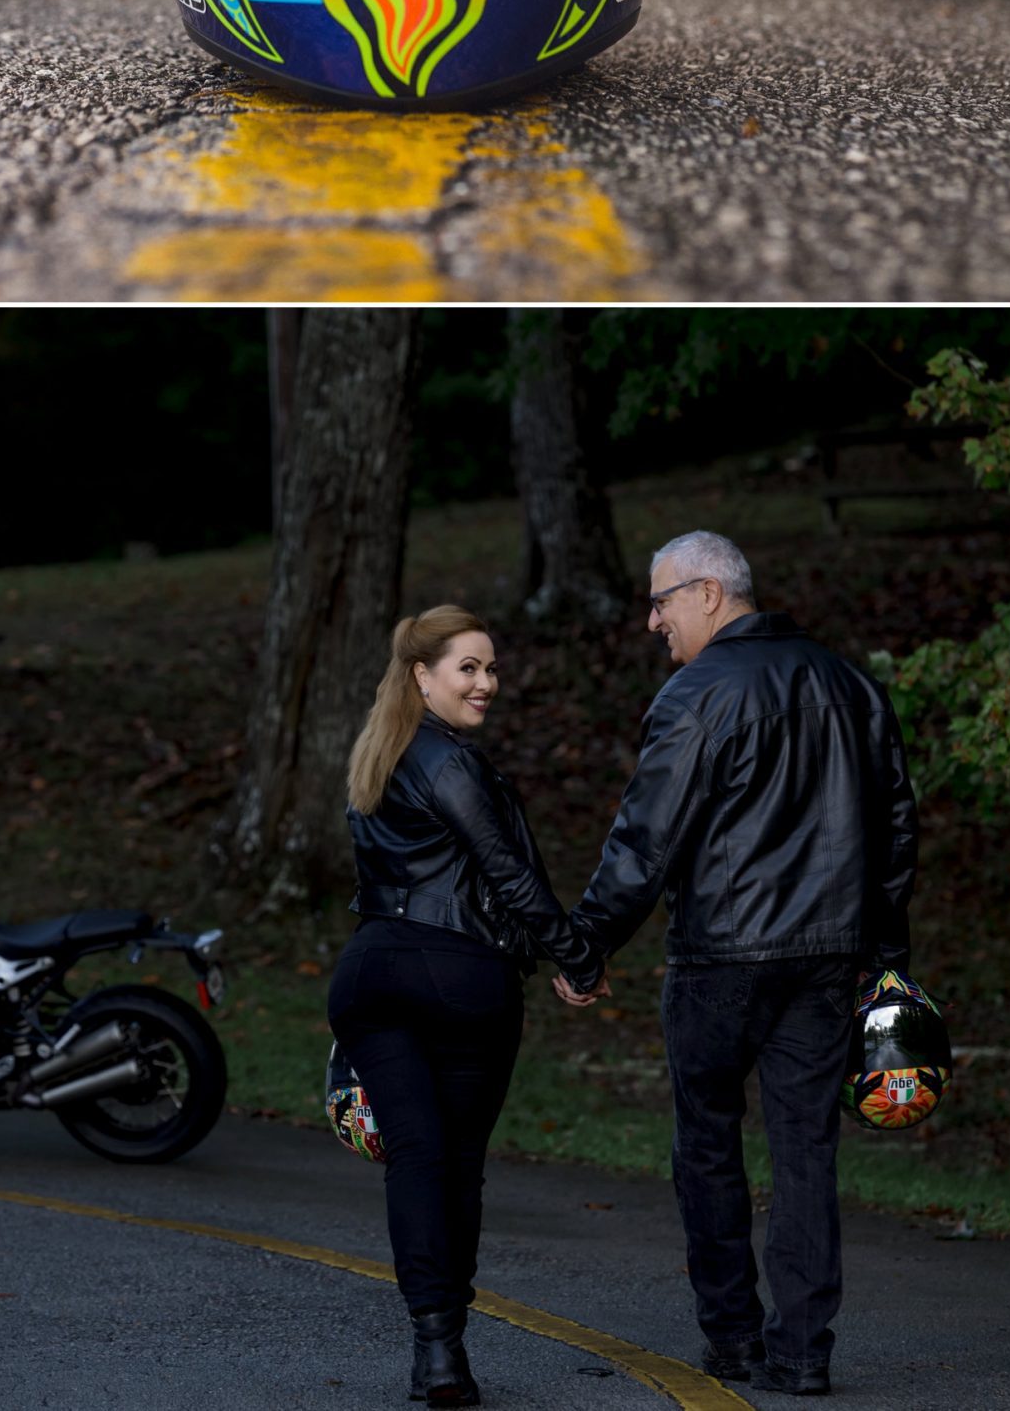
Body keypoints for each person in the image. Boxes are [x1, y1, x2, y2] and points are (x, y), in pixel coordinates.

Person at [561, 532, 918, 1399]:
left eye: (662, 601)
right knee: (806, 1153)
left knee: (708, 1148)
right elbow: (897, 830)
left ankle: (732, 1343)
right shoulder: (852, 686)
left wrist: (588, 943)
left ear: (711, 594)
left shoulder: (698, 693)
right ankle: (802, 1352)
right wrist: (886, 960)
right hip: (828, 959)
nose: (653, 621)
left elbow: (648, 838)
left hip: (720, 959)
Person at [329, 604, 604, 1409]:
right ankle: (445, 1347)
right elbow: (508, 873)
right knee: (454, 1162)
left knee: (415, 1156)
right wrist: (577, 954)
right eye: (468, 669)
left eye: (490, 668)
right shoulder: (450, 763)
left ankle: (434, 1350)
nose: (486, 683)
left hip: (372, 972)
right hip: (456, 975)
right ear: (423, 675)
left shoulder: (377, 754)